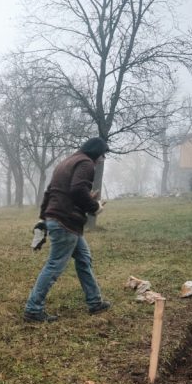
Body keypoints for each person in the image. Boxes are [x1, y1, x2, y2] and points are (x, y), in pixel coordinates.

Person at [23, 137, 112, 323]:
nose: (102, 159)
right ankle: (33, 309)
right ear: (96, 151)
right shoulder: (86, 163)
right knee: (55, 264)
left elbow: (51, 191)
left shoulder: (66, 162)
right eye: (103, 154)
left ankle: (95, 302)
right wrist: (94, 206)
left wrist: (43, 218)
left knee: (84, 259)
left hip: (58, 218)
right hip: (66, 221)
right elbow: (77, 190)